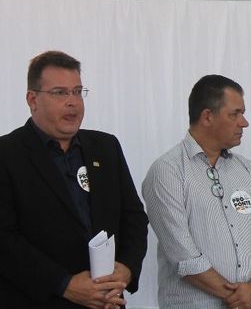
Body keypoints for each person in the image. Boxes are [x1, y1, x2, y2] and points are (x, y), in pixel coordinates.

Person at [0, 51, 148, 309]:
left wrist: (126, 269)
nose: (73, 102)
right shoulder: (7, 154)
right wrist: (63, 284)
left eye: (78, 92)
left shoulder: (106, 147)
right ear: (32, 100)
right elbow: (5, 239)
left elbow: (134, 217)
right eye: (60, 93)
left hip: (107, 300)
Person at [143, 75, 251, 309]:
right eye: (235, 114)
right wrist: (238, 297)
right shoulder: (167, 171)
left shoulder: (246, 169)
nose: (244, 123)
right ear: (207, 116)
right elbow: (183, 256)